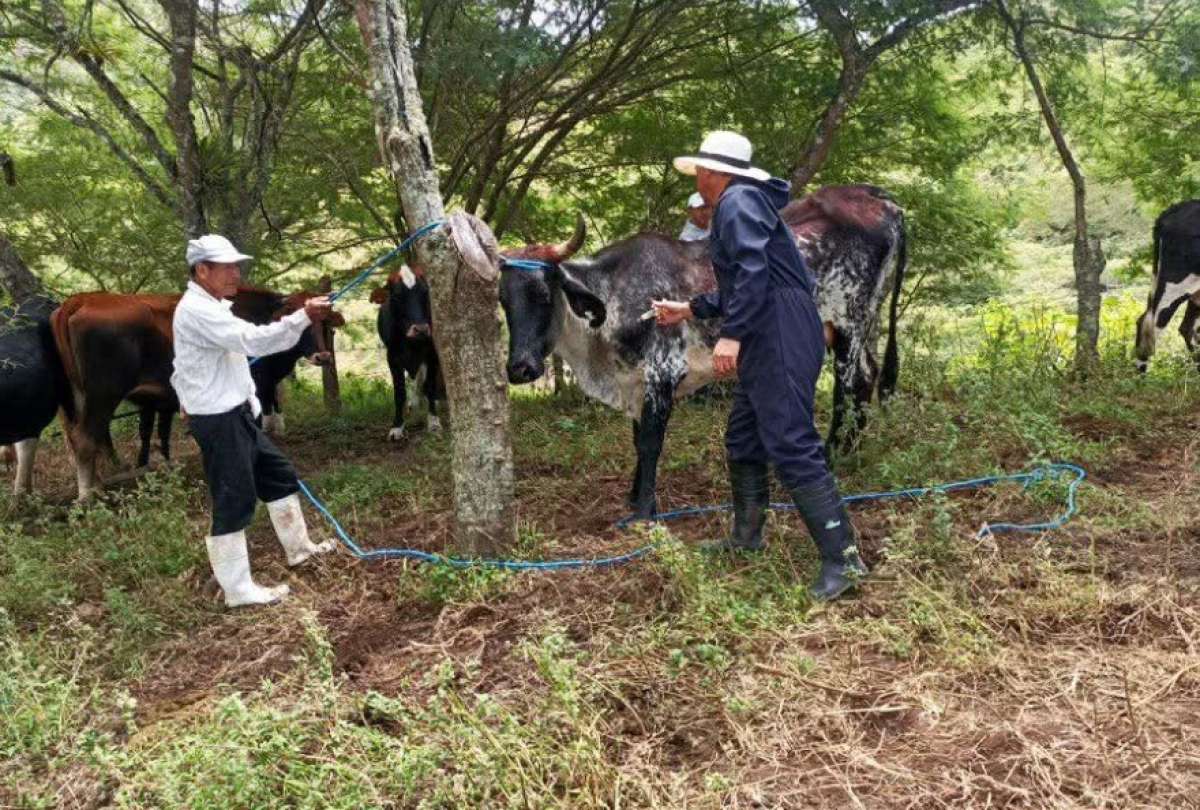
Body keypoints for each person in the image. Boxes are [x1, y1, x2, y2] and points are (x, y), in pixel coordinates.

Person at [652, 131, 867, 602]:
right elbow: (742, 283)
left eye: (701, 174)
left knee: (790, 439)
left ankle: (844, 562)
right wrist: (689, 309)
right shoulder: (741, 205)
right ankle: (746, 537)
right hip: (770, 322)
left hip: (781, 327)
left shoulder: (738, 201)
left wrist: (732, 336)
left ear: (714, 173)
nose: (699, 183)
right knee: (745, 436)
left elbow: (753, 273)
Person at [172, 234, 335, 608]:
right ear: (202, 270)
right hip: (218, 417)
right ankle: (237, 590)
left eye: (236, 265)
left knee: (277, 473)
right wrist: (302, 317)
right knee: (234, 495)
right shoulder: (198, 310)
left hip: (236, 412)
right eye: (227, 266)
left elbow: (183, 363)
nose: (236, 273)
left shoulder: (213, 305)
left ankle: (300, 549)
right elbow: (254, 342)